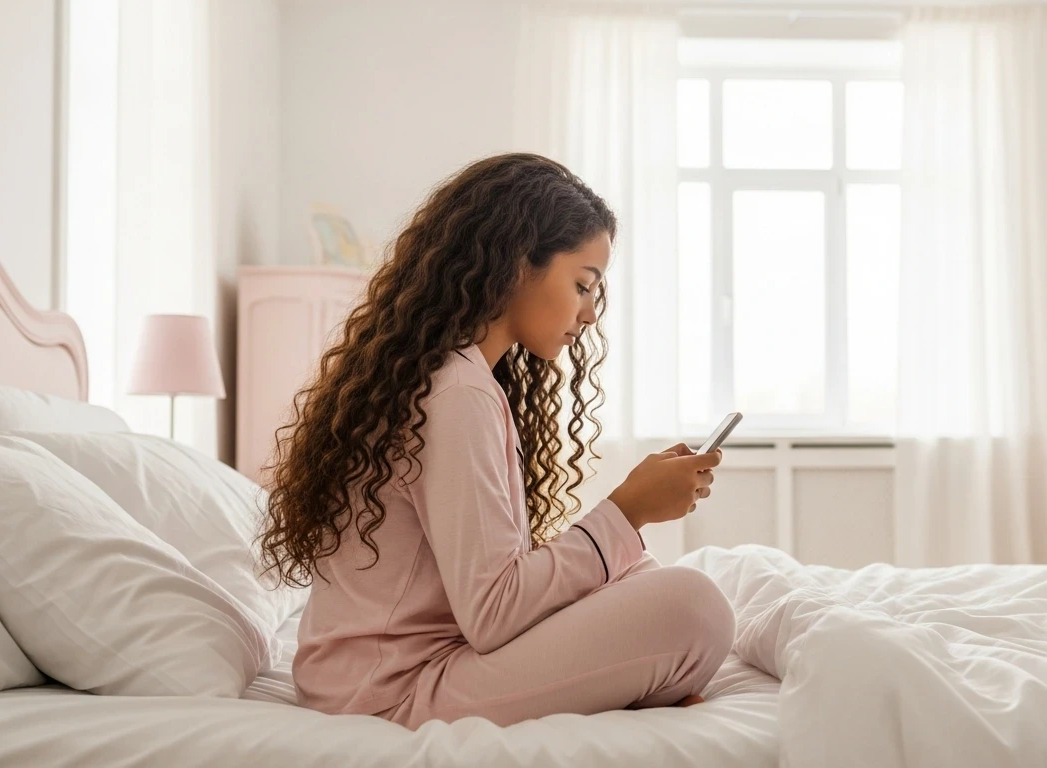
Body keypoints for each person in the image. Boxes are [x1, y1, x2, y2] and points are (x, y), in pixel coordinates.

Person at [258, 153, 735, 729]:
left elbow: (490, 595)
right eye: (582, 285)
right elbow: (493, 612)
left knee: (644, 578)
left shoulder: (450, 378)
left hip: (390, 673)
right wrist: (628, 510)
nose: (589, 314)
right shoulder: (458, 392)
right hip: (391, 692)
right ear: (514, 265)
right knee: (693, 605)